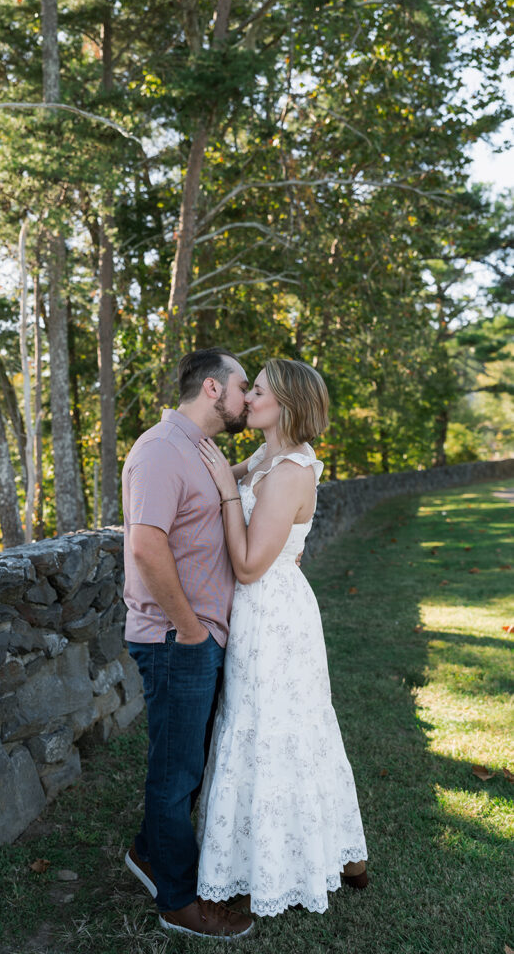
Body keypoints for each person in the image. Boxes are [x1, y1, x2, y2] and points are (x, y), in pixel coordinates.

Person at [196, 358, 368, 916]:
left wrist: (226, 491)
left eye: (258, 392)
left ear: (285, 405)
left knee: (280, 727)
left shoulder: (292, 470)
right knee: (264, 722)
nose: (247, 400)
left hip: (271, 612)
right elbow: (232, 472)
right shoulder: (266, 455)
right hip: (258, 611)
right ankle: (307, 853)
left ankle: (293, 863)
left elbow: (247, 565)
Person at [121, 348, 254, 939]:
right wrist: (193, 630)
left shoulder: (202, 451)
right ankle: (178, 901)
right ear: (211, 388)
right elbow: (146, 548)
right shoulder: (159, 450)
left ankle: (150, 853)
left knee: (190, 763)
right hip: (179, 637)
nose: (249, 397)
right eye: (242, 386)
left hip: (198, 636)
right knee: (175, 774)